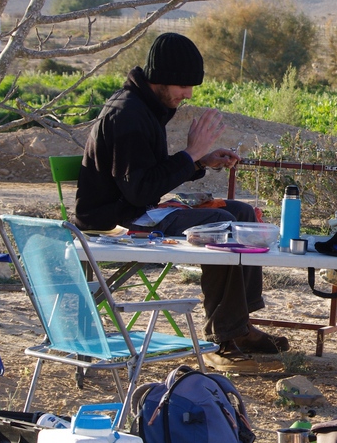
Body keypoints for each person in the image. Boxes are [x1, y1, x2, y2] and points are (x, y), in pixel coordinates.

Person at [73, 32, 289, 374]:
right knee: (226, 229)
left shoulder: (145, 107)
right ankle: (224, 339)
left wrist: (200, 161)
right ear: (159, 76)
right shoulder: (128, 114)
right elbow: (140, 191)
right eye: (183, 85)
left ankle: (240, 324)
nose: (187, 94)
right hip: (114, 222)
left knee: (243, 214)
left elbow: (147, 178)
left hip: (138, 210)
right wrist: (190, 154)